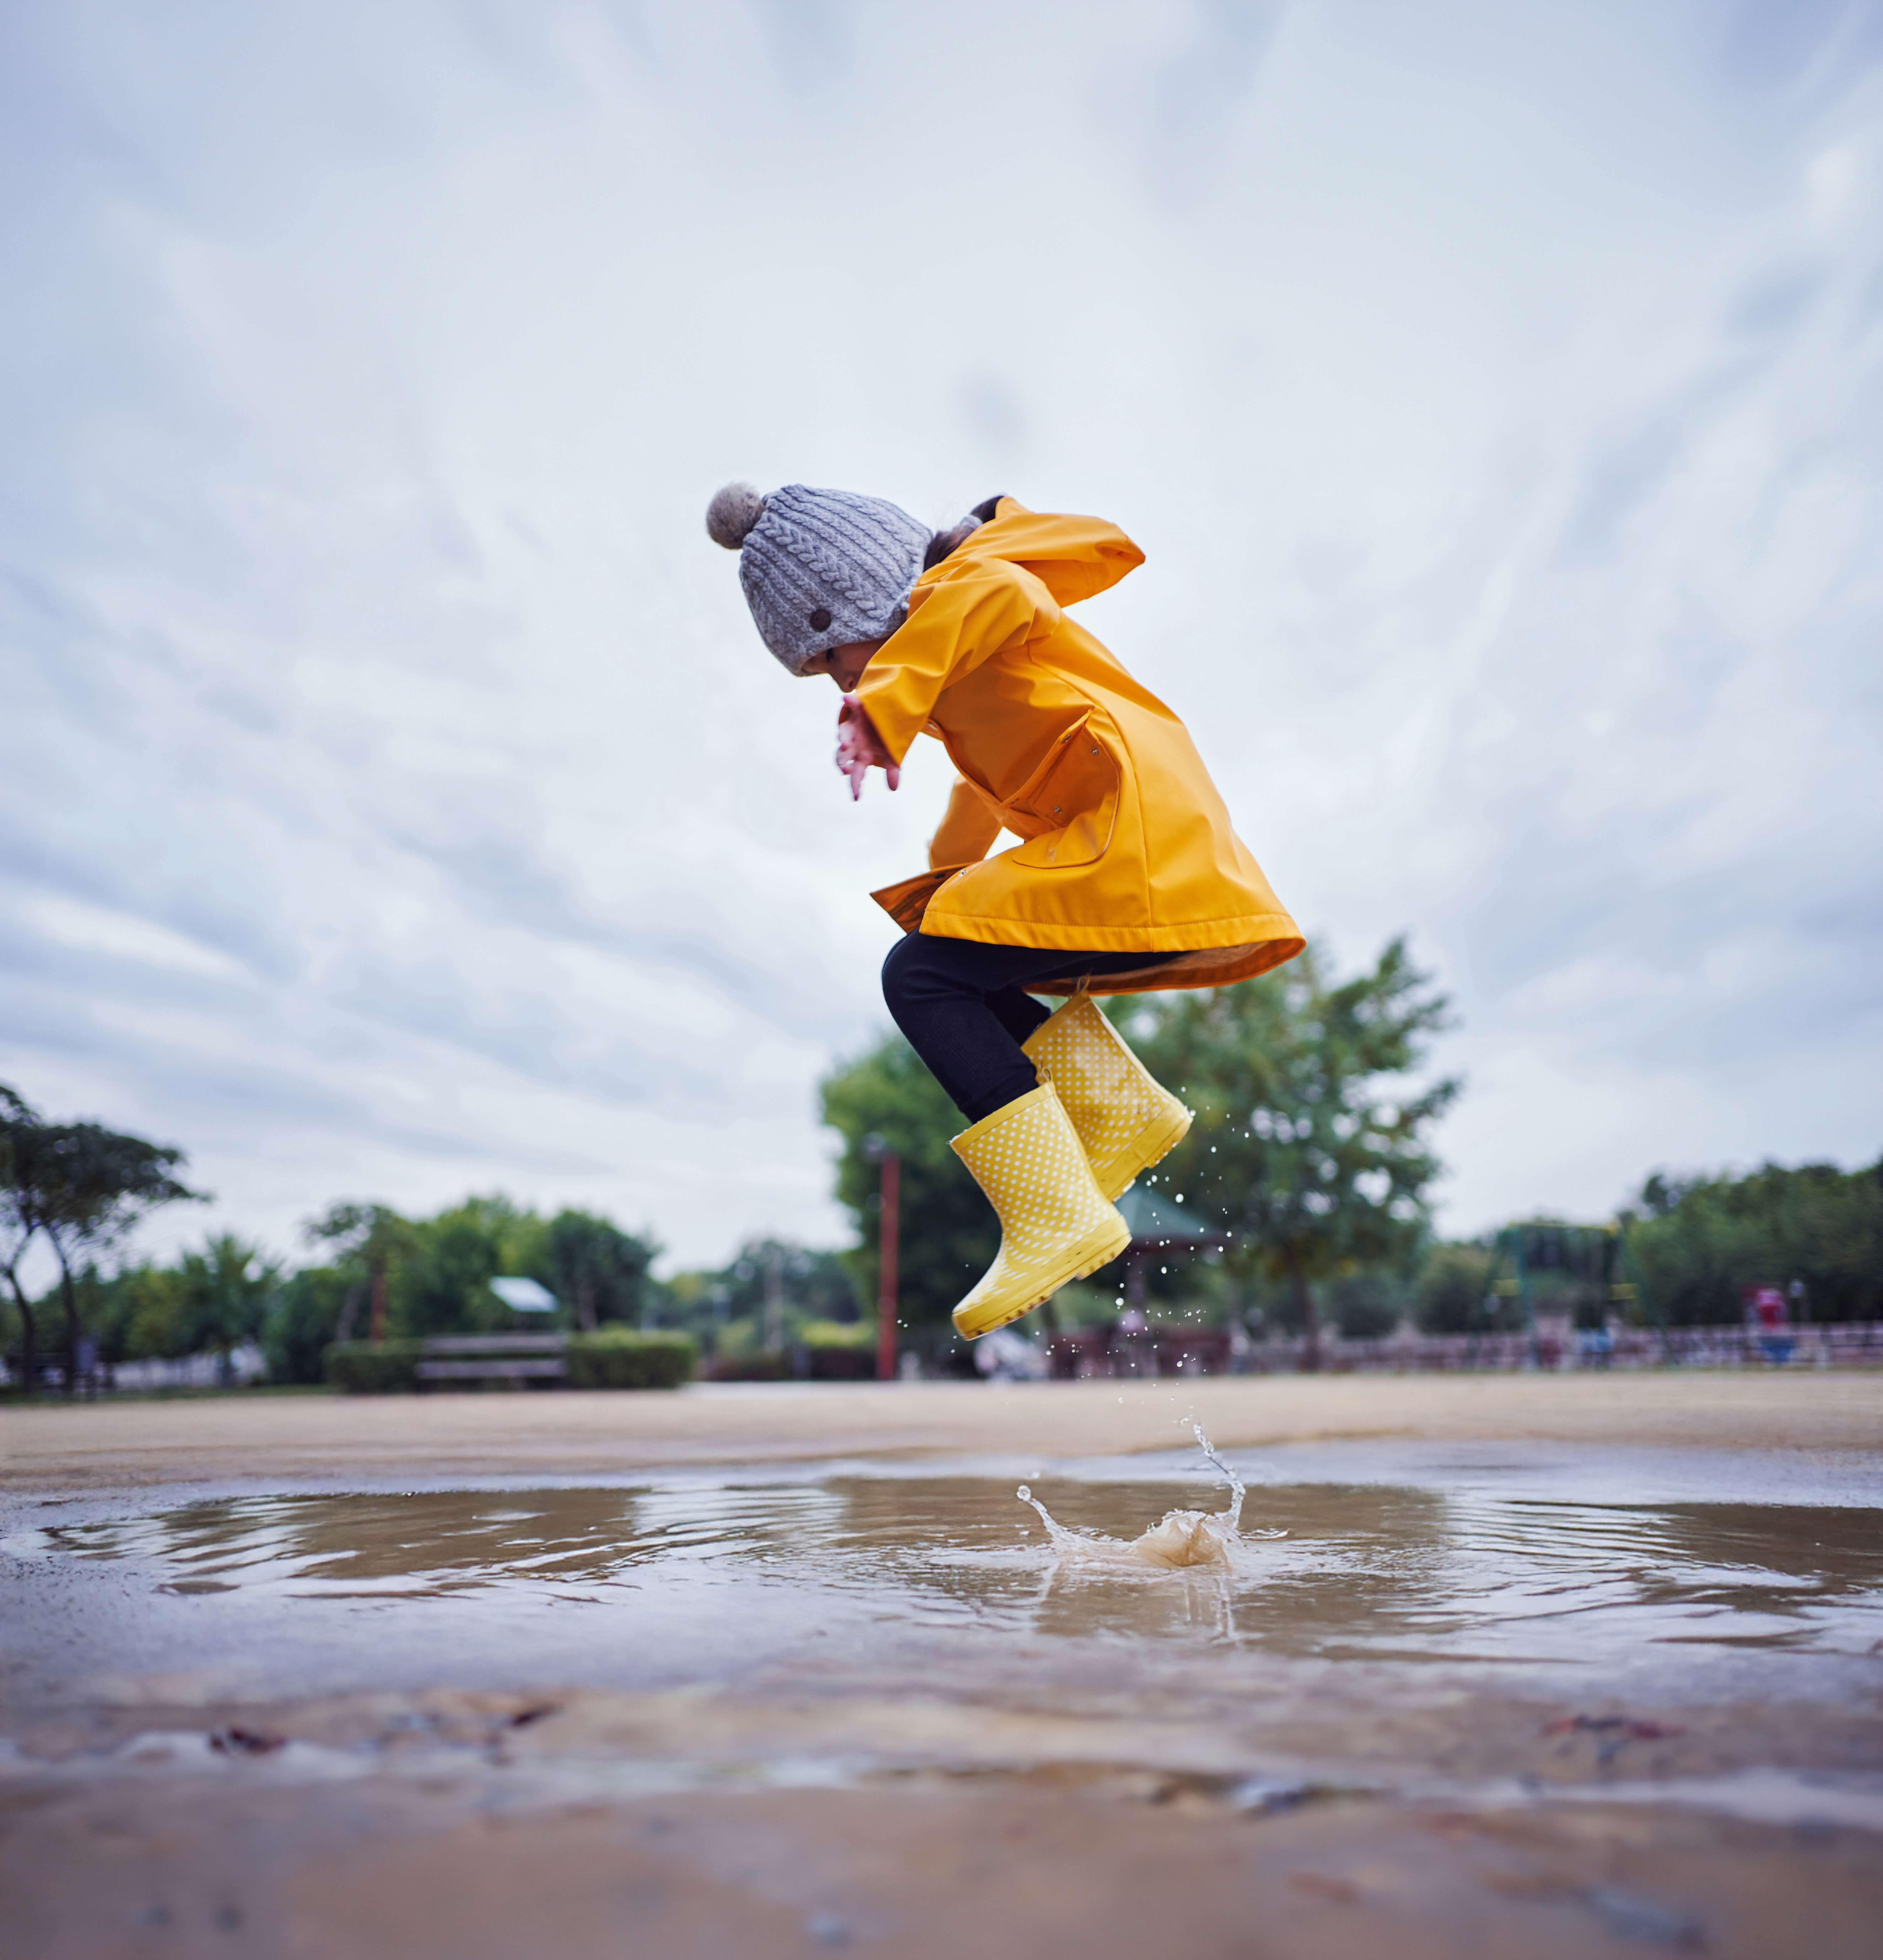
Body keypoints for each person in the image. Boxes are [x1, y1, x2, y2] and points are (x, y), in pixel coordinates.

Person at [707, 482, 1303, 1341]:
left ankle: (1058, 1214)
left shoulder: (977, 584)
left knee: (918, 979)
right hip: (1139, 845)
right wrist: (947, 884)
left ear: (863, 602)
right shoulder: (960, 663)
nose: (838, 680)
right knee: (945, 958)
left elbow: (998, 598)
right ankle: (1112, 1110)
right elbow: (982, 789)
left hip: (1134, 842)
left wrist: (882, 706)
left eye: (833, 658)